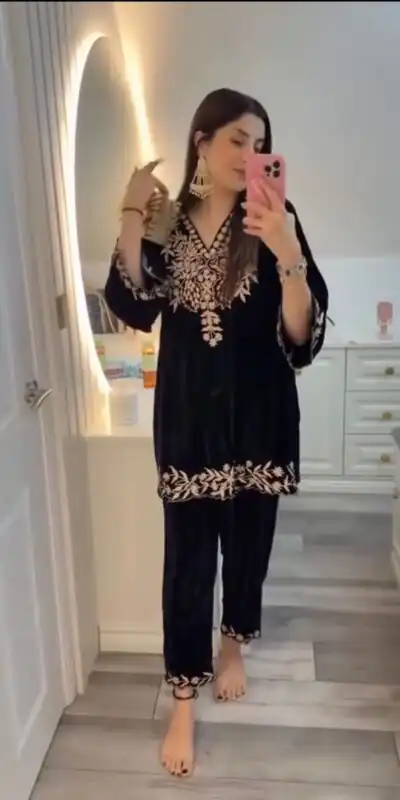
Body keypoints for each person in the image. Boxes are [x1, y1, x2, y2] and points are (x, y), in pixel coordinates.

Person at [104, 87, 328, 778]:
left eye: (260, 144)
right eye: (236, 138)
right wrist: (131, 214)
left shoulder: (276, 217)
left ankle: (234, 645)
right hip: (190, 423)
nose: (249, 153)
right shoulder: (170, 223)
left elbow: (301, 336)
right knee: (187, 564)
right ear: (201, 141)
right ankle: (182, 702)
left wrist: (287, 253)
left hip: (260, 419)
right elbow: (132, 305)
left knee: (248, 548)